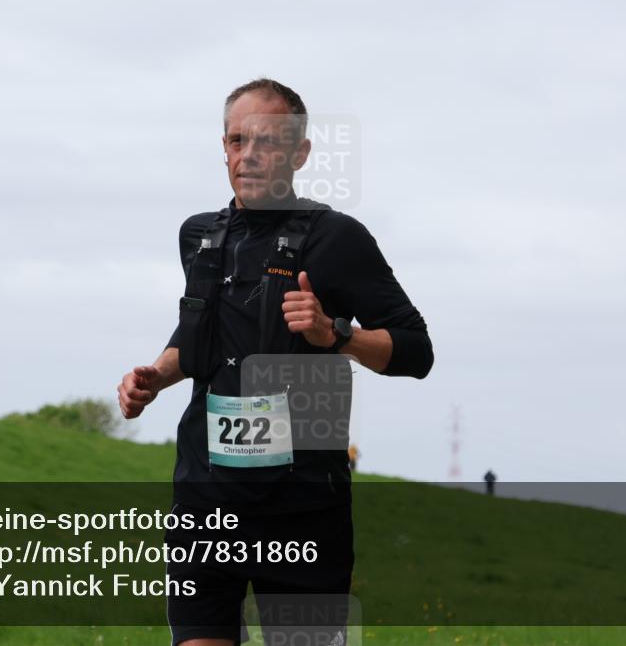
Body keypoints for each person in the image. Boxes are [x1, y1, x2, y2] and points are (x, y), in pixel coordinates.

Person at [118, 78, 434, 646]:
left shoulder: (338, 238)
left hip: (302, 505)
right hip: (205, 497)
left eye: (267, 141)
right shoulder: (200, 236)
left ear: (300, 153)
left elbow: (416, 350)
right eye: (238, 140)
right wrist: (156, 377)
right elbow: (202, 335)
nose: (249, 155)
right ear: (223, 146)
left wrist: (336, 336)